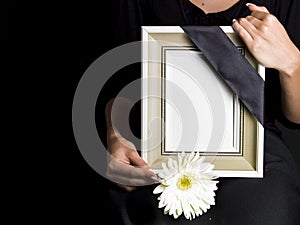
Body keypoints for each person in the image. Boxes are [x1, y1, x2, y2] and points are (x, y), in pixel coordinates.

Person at [96, 0, 300, 224]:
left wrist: (292, 64)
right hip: (159, 145)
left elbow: (294, 117)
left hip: (255, 148)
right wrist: (116, 136)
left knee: (265, 209)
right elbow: (121, 83)